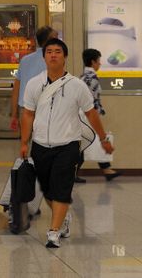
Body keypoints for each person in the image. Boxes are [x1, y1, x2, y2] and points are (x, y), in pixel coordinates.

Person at [20, 38, 114, 248]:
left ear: (65, 57)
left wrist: (103, 138)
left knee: (61, 188)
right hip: (41, 144)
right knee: (47, 189)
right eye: (49, 51)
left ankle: (53, 232)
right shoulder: (35, 84)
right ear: (44, 56)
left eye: (58, 52)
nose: (53, 55)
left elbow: (91, 114)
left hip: (68, 144)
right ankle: (63, 219)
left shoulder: (77, 85)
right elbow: (27, 114)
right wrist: (24, 142)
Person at [78, 48, 119, 181]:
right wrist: (96, 113)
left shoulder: (82, 77)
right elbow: (91, 101)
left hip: (82, 115)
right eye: (99, 61)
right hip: (87, 116)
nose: (100, 64)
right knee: (91, 141)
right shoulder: (92, 78)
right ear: (93, 62)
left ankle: (106, 170)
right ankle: (106, 170)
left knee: (88, 142)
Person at [10, 26, 58, 131]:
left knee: (25, 143)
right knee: (43, 144)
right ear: (49, 41)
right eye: (56, 38)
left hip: (25, 110)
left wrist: (14, 115)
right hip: (45, 111)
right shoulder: (53, 61)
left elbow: (16, 90)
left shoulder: (25, 60)